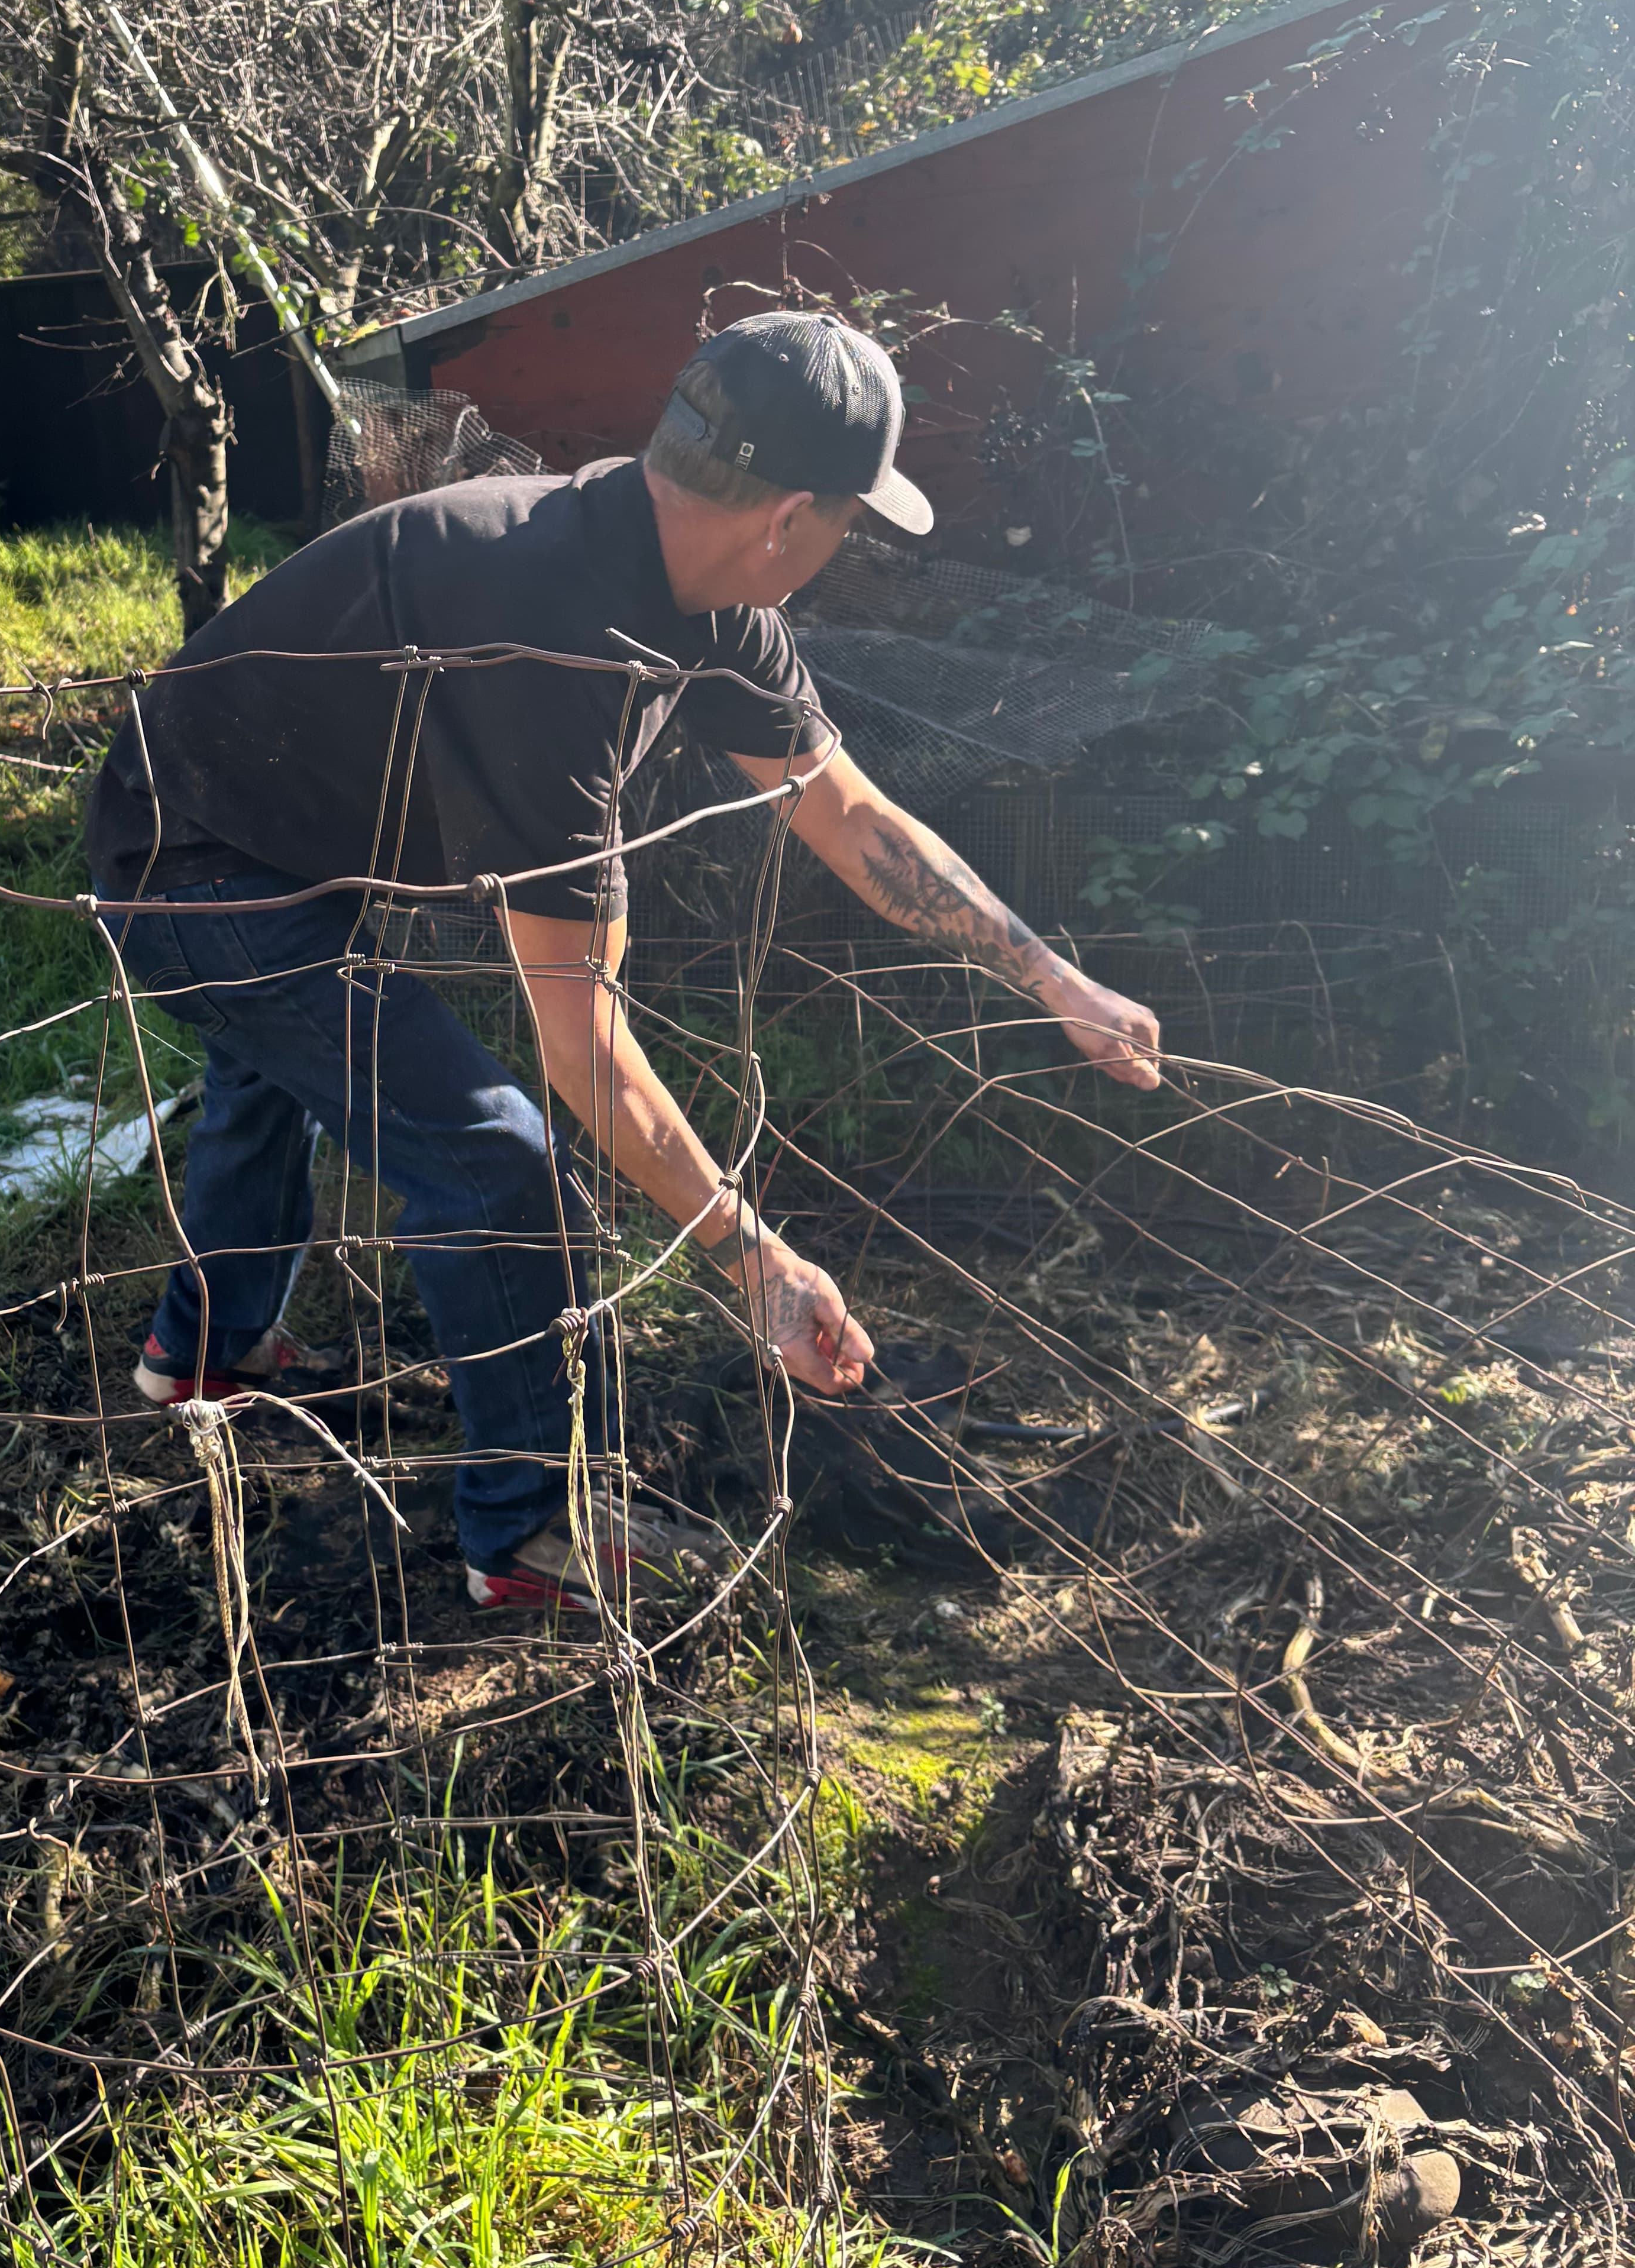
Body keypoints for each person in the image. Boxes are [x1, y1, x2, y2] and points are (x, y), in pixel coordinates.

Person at [86, 311, 1163, 1616]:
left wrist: (1056, 978)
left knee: (278, 1059)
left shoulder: (685, 587)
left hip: (266, 826)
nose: (843, 550)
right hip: (180, 857)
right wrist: (757, 1260)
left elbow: (854, 817)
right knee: (494, 1155)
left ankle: (199, 1355)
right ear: (786, 521)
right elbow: (585, 1054)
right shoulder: (555, 648)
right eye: (849, 523)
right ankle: (524, 1532)